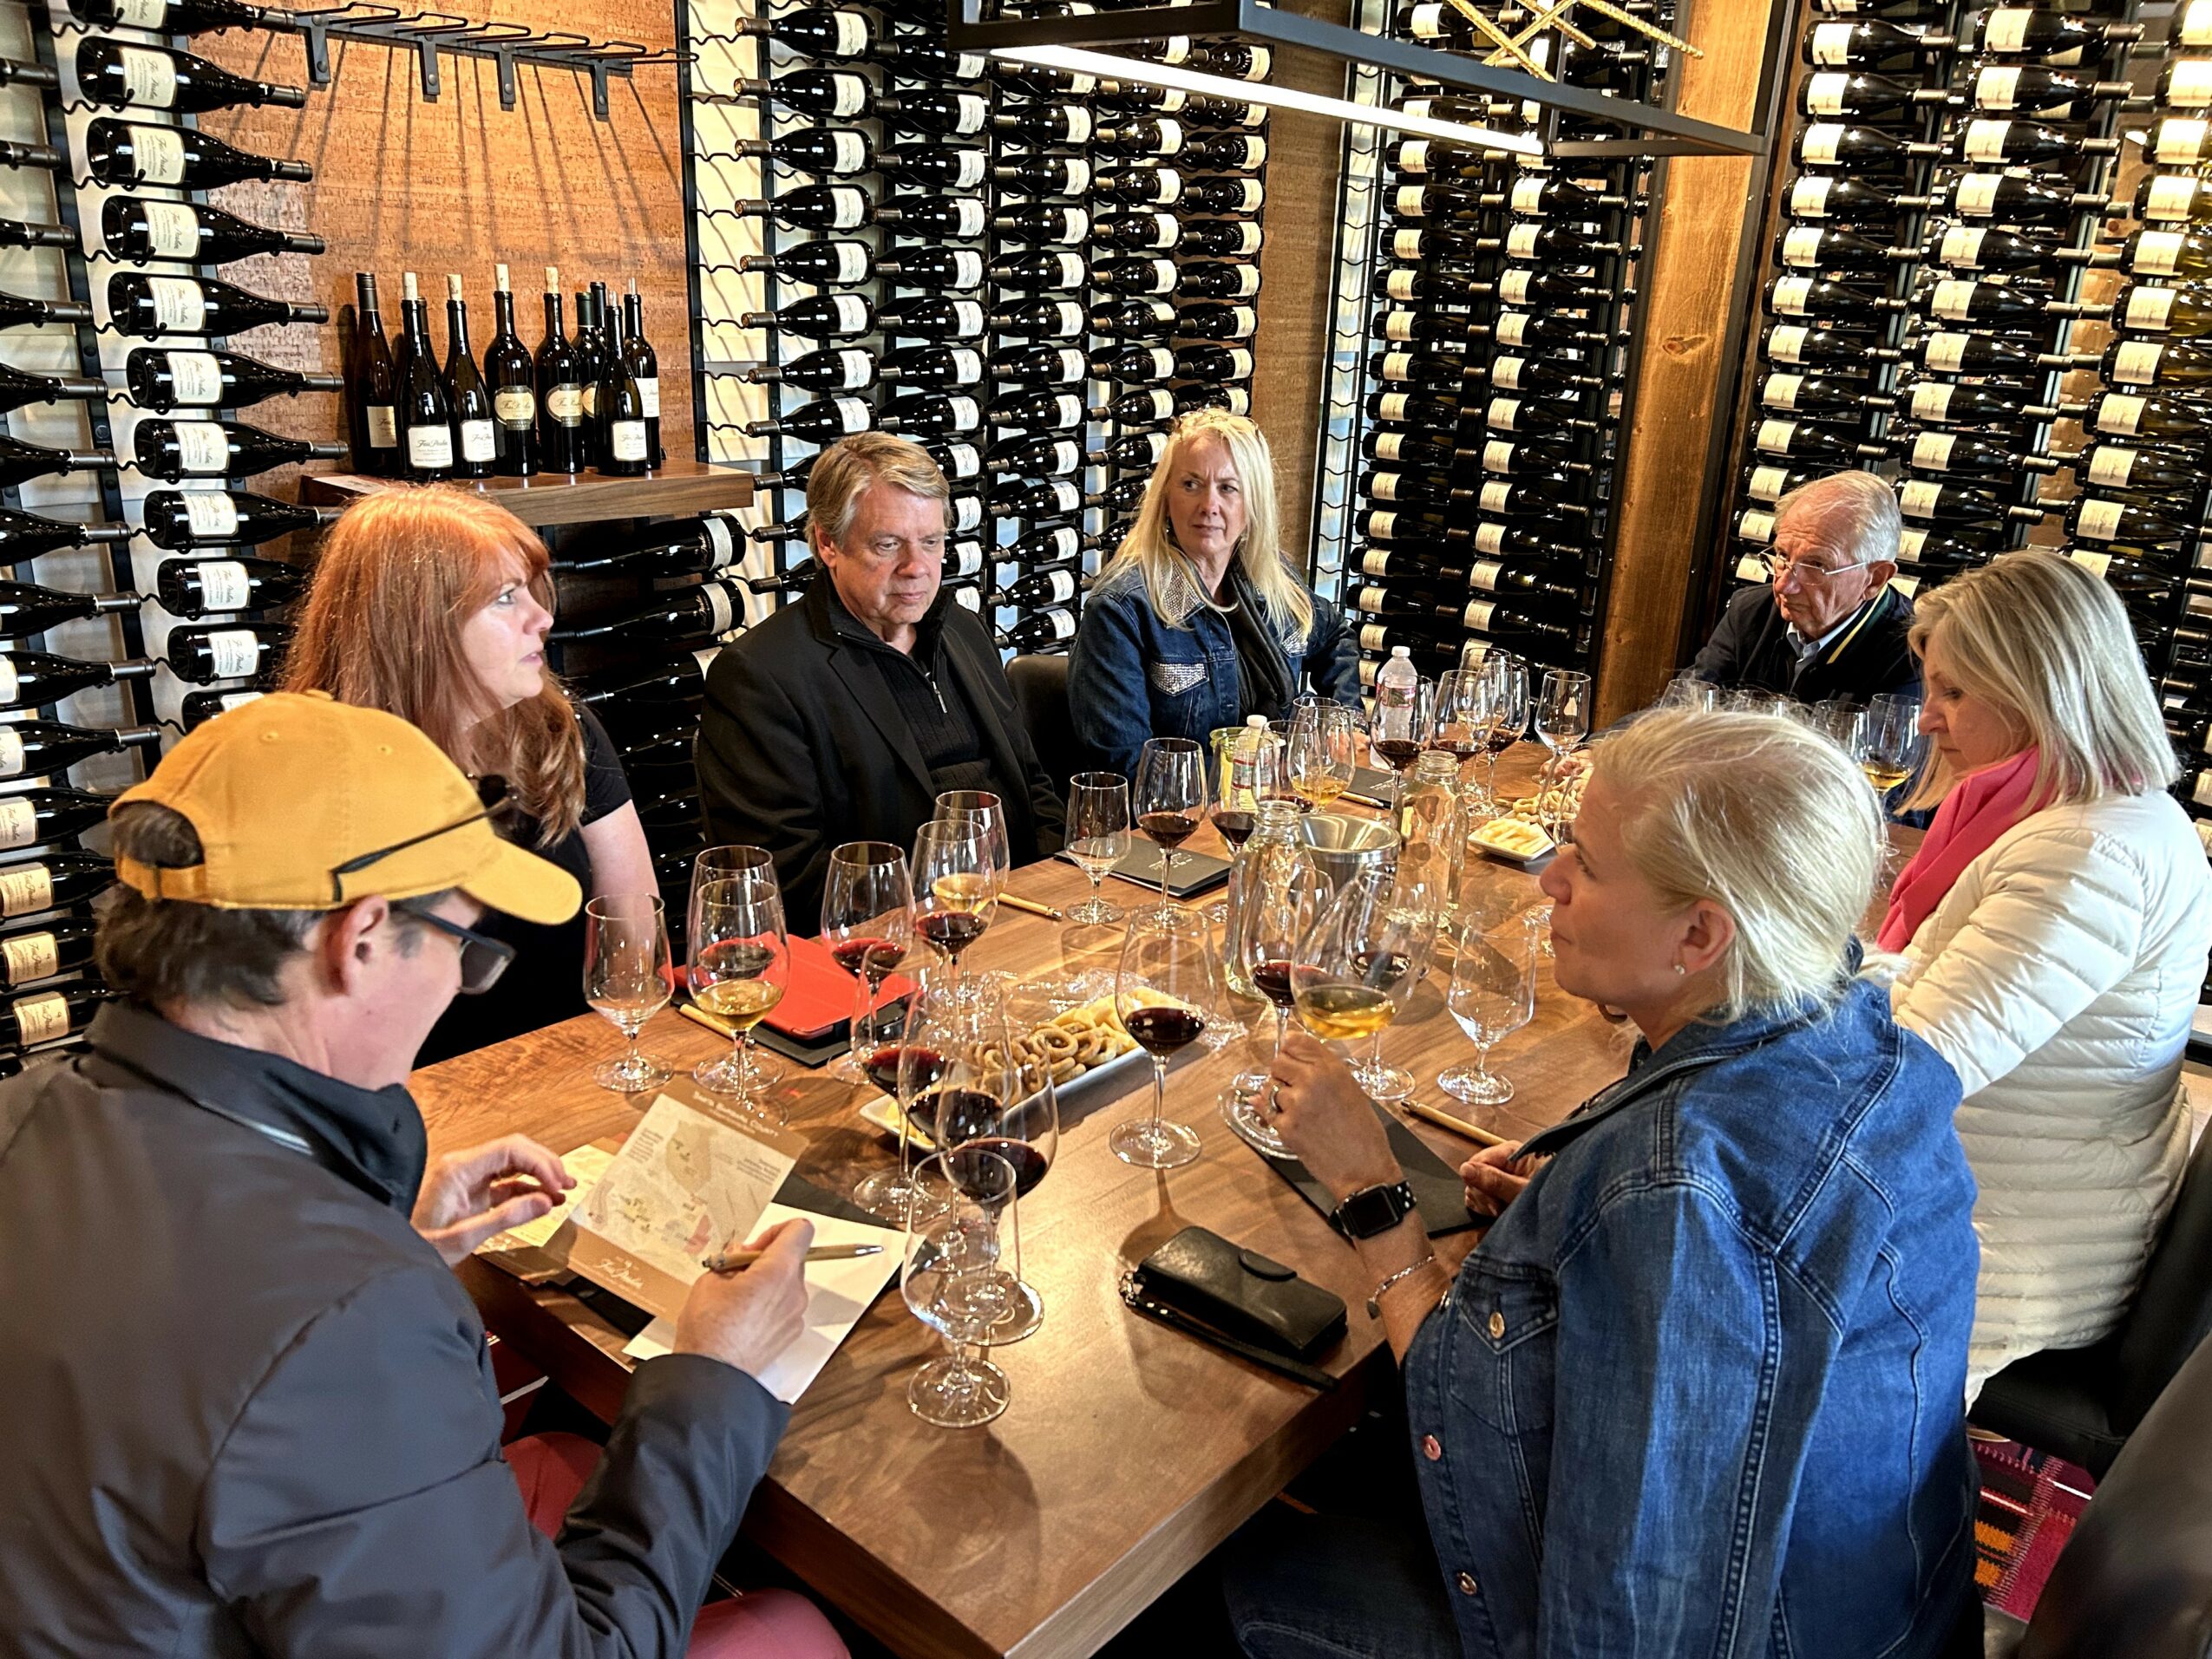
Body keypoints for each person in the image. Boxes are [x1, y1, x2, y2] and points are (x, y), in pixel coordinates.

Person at [0, 693, 845, 1656]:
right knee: (799, 1628)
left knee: (568, 1455)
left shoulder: (25, 1110)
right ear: (358, 940)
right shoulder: (344, 1324)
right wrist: (712, 1372)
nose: (456, 982)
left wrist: (379, 1237)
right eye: (464, 945)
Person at [1229, 709, 1979, 1658]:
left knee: (1252, 1560)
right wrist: (1567, 1216)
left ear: (1700, 933)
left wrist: (1372, 1188)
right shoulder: (1862, 1043)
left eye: (1582, 858)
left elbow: (1614, 1606)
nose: (1550, 877)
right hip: (1895, 1612)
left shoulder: (1671, 1192)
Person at [1874, 551, 2212, 1397]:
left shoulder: (2086, 853)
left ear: (2036, 687)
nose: (1927, 719)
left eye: (1952, 690)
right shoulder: (2115, 815)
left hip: (2012, 1245)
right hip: (2025, 1193)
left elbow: (1916, 1069)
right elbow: (1931, 986)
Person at [284, 486, 655, 1066]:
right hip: (422, 1106)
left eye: (531, 591)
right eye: (506, 598)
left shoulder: (561, 730)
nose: (543, 617)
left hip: (579, 1071)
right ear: (418, 627)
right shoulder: (316, 785)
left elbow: (634, 942)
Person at [697, 432, 1063, 924]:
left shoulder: (963, 629)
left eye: (931, 542)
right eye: (887, 545)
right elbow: (784, 880)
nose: (916, 568)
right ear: (828, 542)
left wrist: (1062, 886)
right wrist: (947, 906)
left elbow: (1031, 784)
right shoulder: (760, 676)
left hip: (1023, 910)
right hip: (891, 942)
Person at [1069, 409, 1359, 779]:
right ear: (1166, 498)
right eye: (1191, 484)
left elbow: (1335, 635)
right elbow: (1127, 769)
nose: (1209, 506)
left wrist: (1343, 725)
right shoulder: (1121, 610)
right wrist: (1256, 776)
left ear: (1252, 505)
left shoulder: (1273, 579)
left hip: (1272, 809)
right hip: (1176, 825)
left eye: (1228, 487)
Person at [1688, 470, 1919, 705]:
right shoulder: (1748, 612)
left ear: (1875, 579)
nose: (1783, 585)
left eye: (1816, 565)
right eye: (1783, 555)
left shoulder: (1916, 655)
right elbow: (1686, 709)